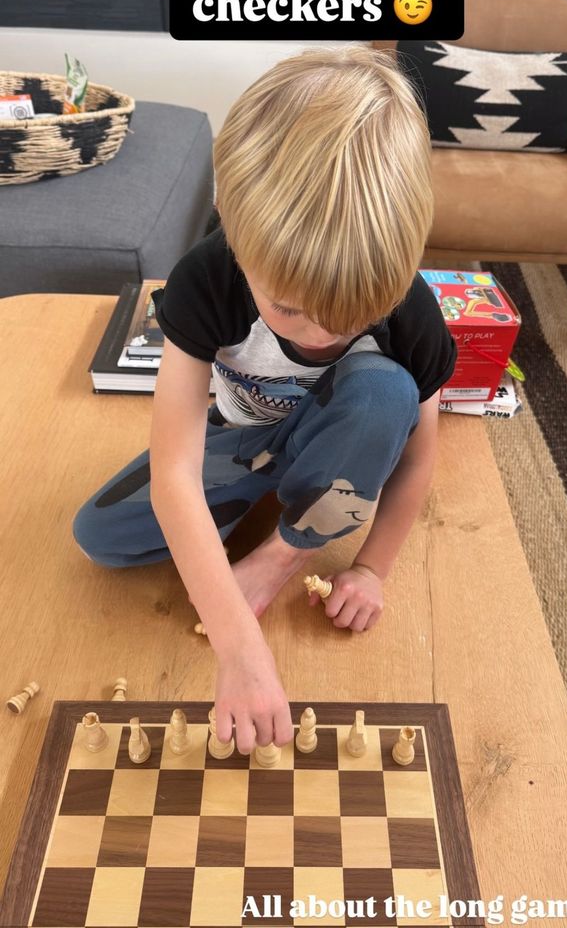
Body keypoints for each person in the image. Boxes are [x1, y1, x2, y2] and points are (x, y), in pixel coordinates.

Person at [73, 43, 456, 756]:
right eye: (289, 310)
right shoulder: (204, 280)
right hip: (240, 437)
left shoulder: (412, 309)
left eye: (352, 316)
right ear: (233, 231)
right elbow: (173, 470)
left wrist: (370, 567)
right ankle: (286, 493)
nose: (322, 334)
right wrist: (238, 646)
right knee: (98, 537)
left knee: (385, 392)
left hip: (343, 431)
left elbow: (419, 459)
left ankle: (284, 545)